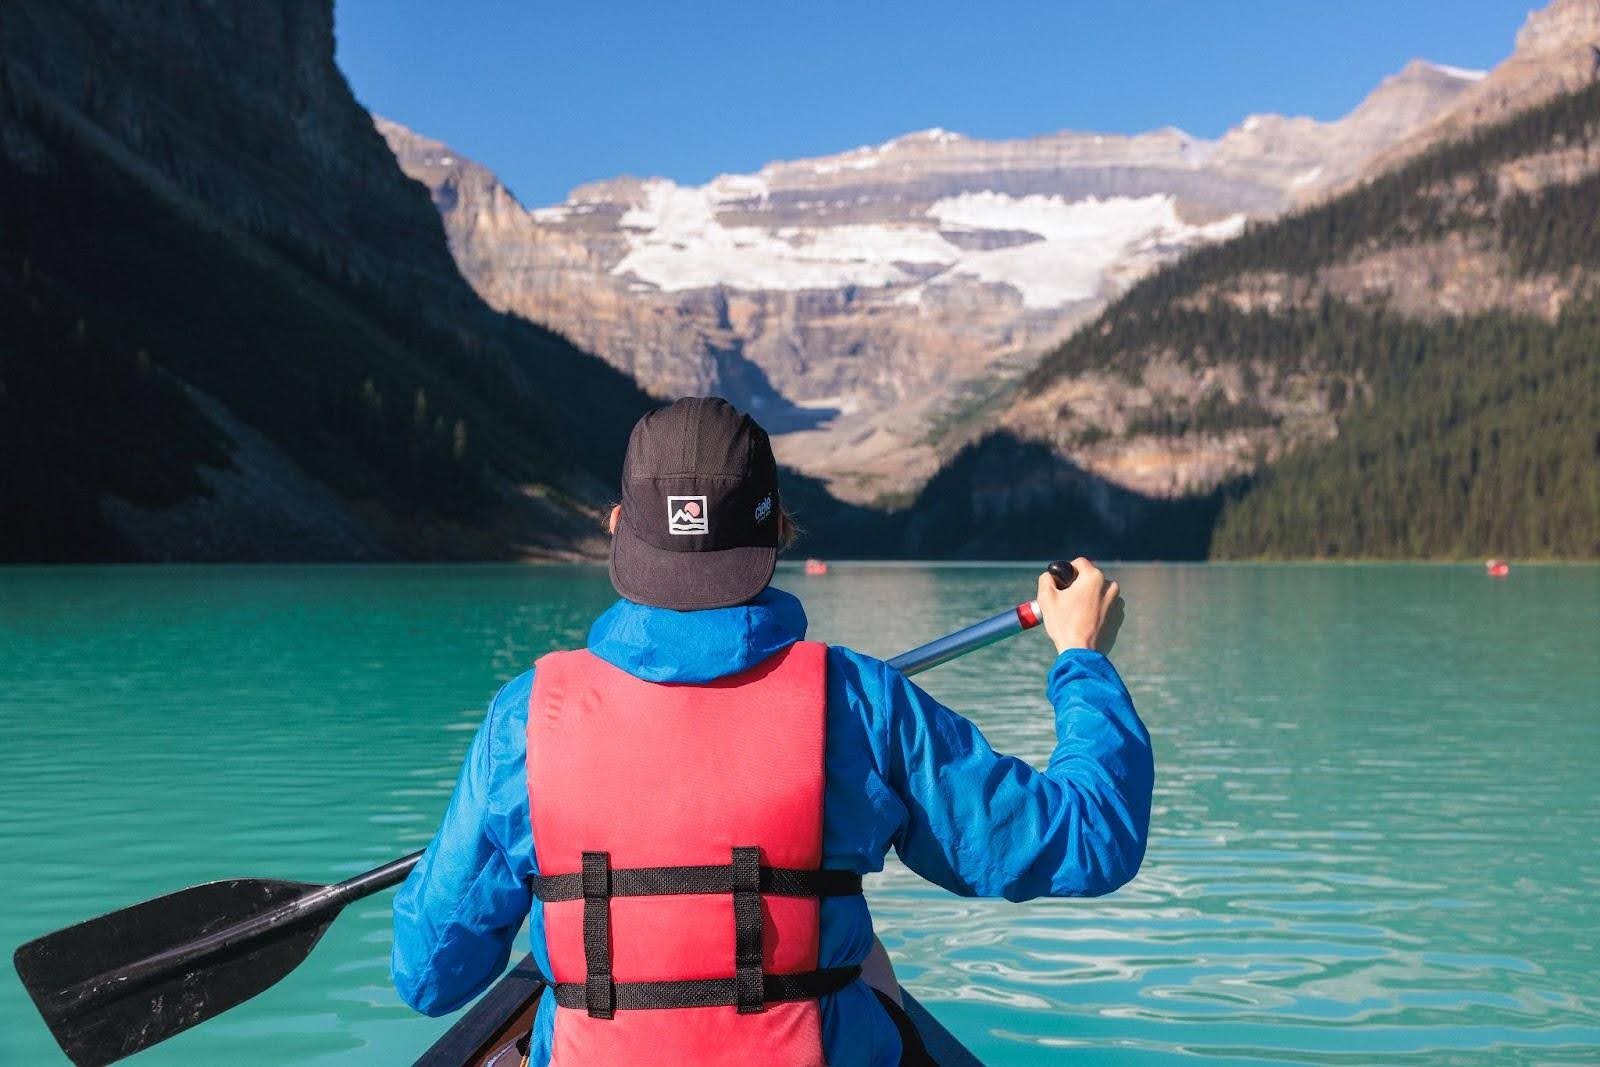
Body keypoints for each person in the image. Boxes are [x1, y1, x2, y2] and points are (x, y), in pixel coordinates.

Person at [392, 396, 1153, 1066]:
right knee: (867, 964)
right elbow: (1092, 835)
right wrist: (1081, 657)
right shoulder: (858, 703)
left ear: (620, 528)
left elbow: (429, 974)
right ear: (779, 529)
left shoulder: (524, 723)